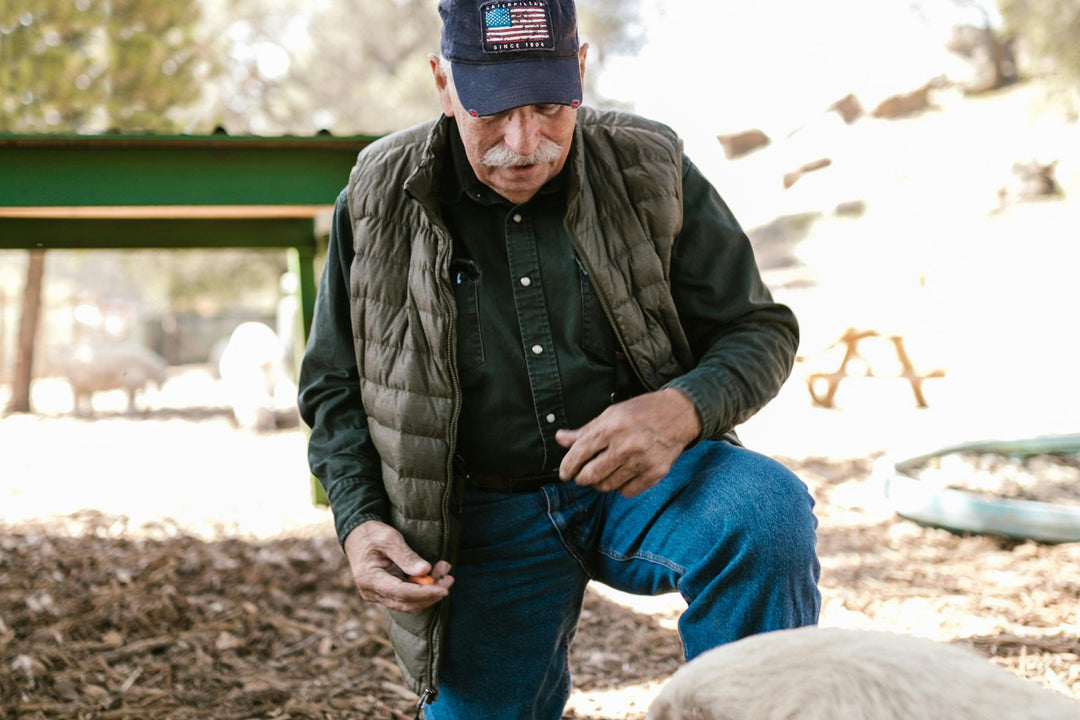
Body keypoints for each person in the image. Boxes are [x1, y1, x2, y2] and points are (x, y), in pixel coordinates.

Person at [297, 0, 821, 717]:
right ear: (443, 82)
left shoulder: (651, 162)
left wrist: (679, 410)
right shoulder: (377, 190)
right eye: (493, 112)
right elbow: (333, 385)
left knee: (765, 512)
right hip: (477, 519)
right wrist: (359, 522)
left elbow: (759, 328)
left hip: (644, 485)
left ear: (579, 70)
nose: (525, 142)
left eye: (549, 106)